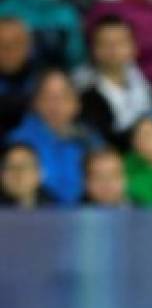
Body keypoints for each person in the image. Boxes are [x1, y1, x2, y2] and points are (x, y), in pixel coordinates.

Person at [7, 69, 101, 204]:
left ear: (77, 104)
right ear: (35, 102)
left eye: (63, 97)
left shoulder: (89, 139)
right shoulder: (18, 143)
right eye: (48, 97)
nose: (56, 105)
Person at [78, 15, 152, 147]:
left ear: (134, 47)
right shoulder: (83, 89)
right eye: (105, 44)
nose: (113, 49)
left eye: (120, 43)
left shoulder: (142, 78)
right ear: (93, 49)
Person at [0, 16, 37, 131]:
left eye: (17, 43)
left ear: (29, 47)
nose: (9, 50)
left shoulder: (42, 83)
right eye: (2, 44)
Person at [0, 142, 56, 207]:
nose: (18, 173)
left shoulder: (56, 209)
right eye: (10, 167)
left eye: (25, 166)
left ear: (39, 173)